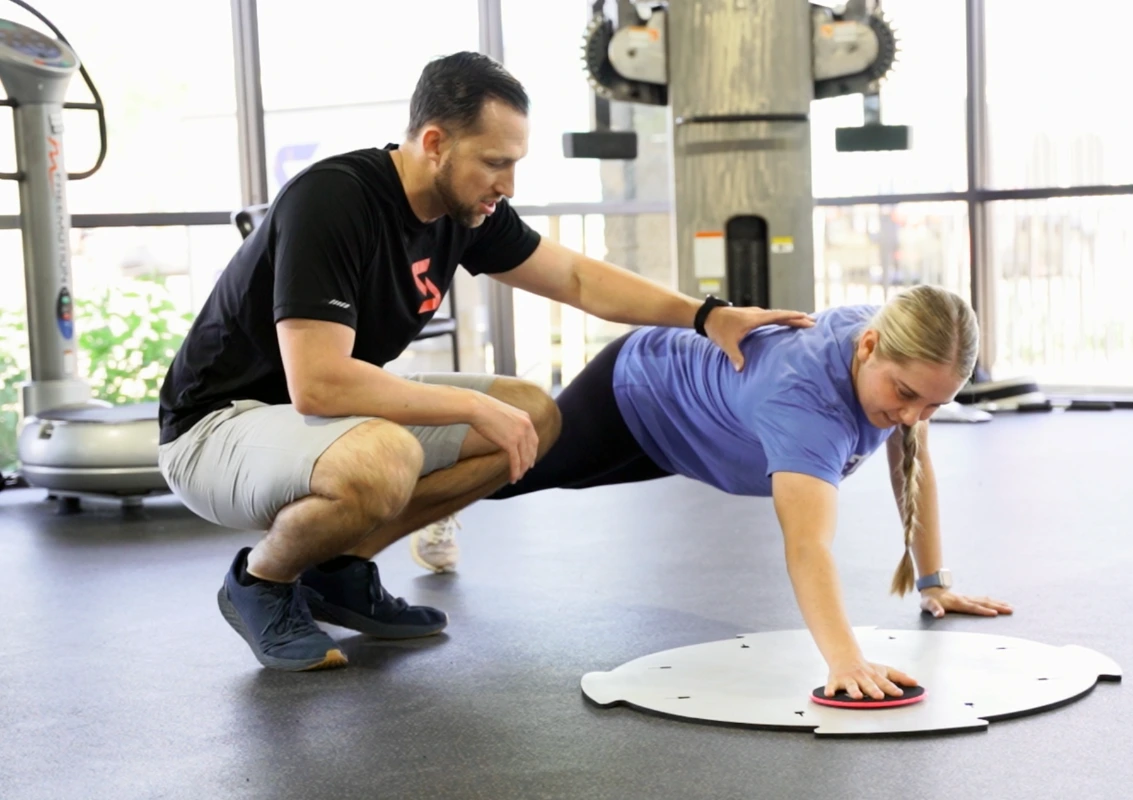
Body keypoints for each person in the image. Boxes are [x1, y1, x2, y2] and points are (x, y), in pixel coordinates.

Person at [156, 51, 811, 673]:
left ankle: (341, 569)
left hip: (313, 420)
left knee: (533, 412)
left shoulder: (463, 211)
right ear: (435, 142)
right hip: (216, 425)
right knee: (385, 457)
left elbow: (578, 279)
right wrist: (471, 404)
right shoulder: (333, 200)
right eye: (495, 161)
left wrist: (708, 315)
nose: (508, 183)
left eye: (515, 162)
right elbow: (319, 384)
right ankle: (262, 581)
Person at [414, 284, 1014, 702]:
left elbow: (913, 466)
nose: (913, 416)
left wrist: (936, 584)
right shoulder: (804, 405)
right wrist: (845, 660)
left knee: (510, 475)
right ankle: (403, 458)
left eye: (934, 404)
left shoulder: (897, 353)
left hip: (686, 439)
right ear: (868, 347)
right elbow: (808, 546)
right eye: (906, 394)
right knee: (505, 474)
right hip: (637, 391)